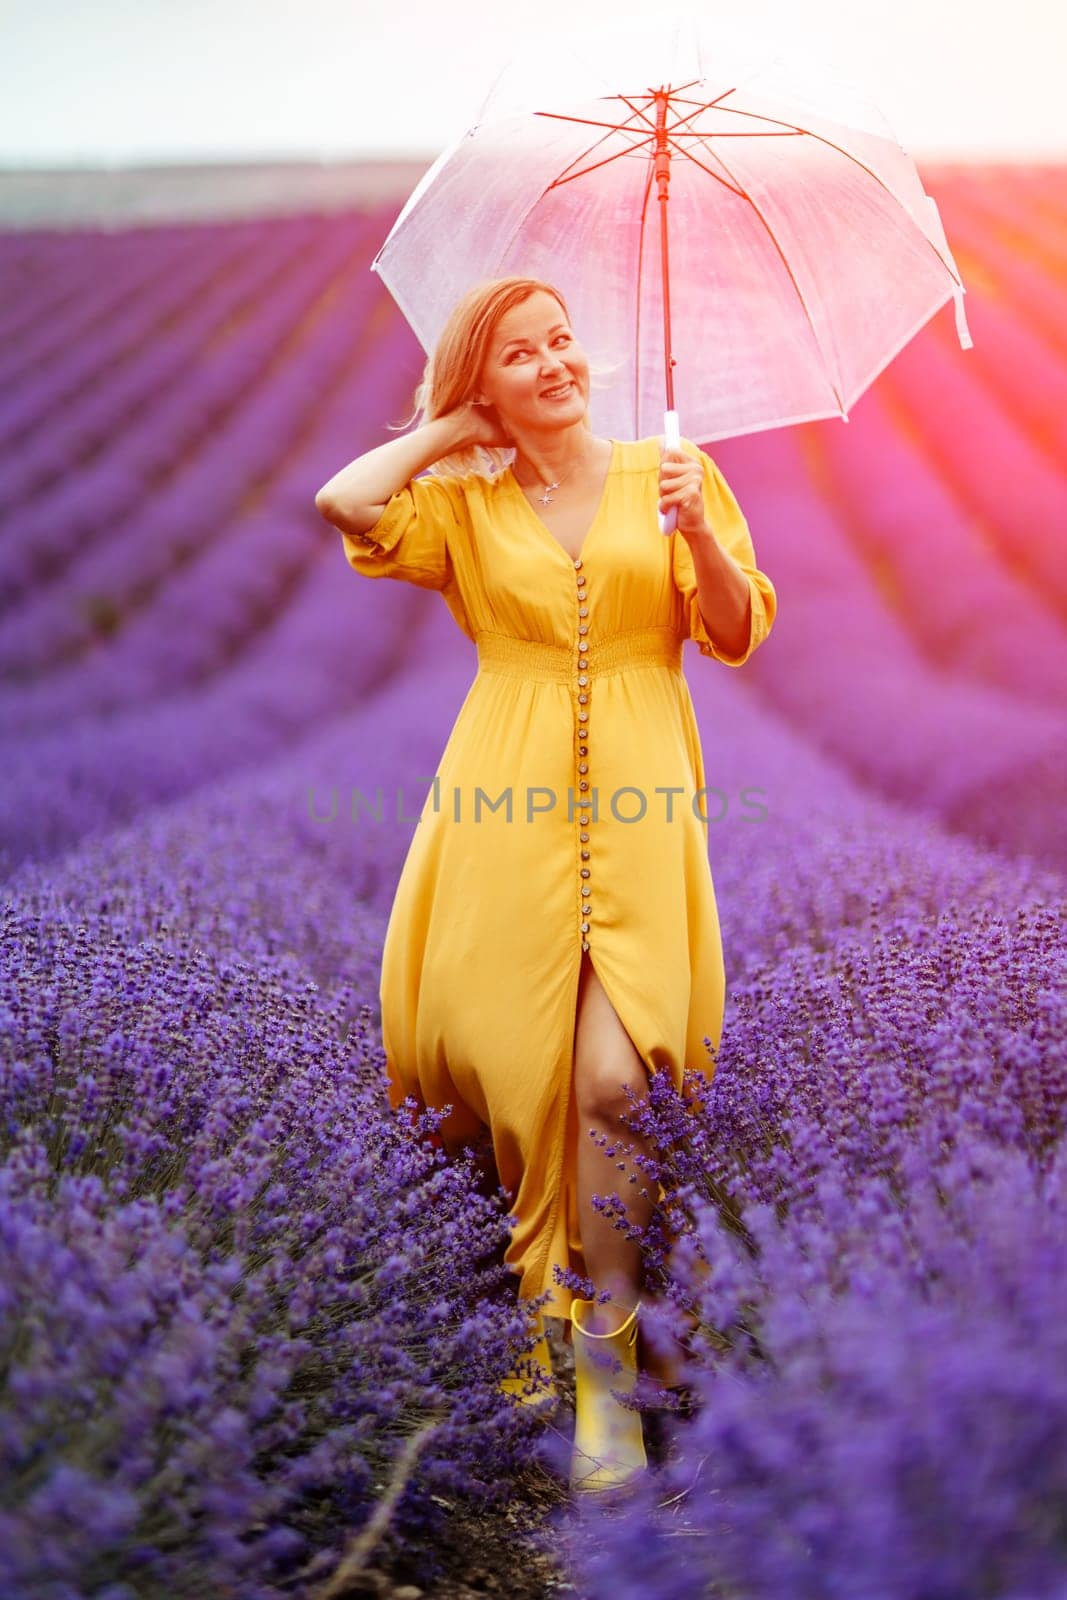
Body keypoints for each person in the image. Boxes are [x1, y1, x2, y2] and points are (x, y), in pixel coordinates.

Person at [315, 275, 777, 1492]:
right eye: (521, 355)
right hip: (499, 817)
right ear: (485, 385)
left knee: (618, 1080)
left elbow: (731, 630)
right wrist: (452, 430)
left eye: (564, 340)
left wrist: (697, 534)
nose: (557, 363)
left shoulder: (667, 476)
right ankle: (557, 1354)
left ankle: (606, 1376)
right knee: (528, 1088)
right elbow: (344, 499)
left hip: (639, 810)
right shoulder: (462, 506)